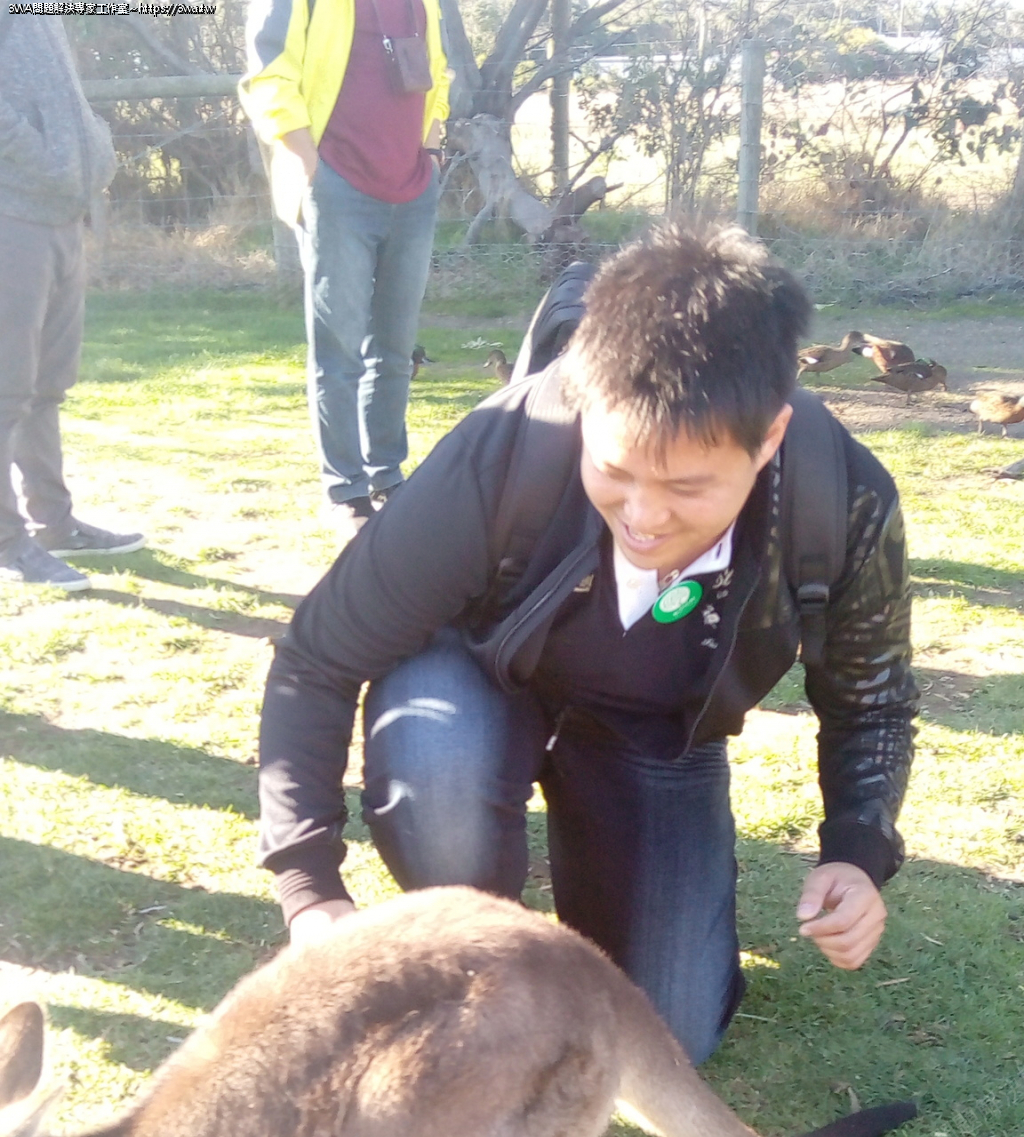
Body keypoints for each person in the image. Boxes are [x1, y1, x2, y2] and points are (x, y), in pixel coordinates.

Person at [257, 223, 917, 1065]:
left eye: (687, 486)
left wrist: (857, 851)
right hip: (480, 676)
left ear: (769, 438)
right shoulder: (505, 449)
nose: (644, 517)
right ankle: (479, 953)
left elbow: (874, 700)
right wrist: (310, 888)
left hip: (656, 729)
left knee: (667, 1037)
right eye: (616, 470)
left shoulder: (843, 497)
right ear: (585, 406)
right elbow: (315, 658)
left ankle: (608, 851)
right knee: (439, 775)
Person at [241, 0, 449, 544]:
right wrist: (311, 165)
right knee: (339, 353)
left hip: (412, 190)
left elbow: (436, 71)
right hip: (337, 190)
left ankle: (389, 477)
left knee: (396, 351)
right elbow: (269, 75)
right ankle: (346, 490)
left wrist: (431, 151)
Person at [0, 2, 145, 594]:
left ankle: (54, 525)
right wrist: (42, 159)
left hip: (58, 213)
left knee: (45, 387)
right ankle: (7, 544)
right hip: (12, 212)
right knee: (6, 389)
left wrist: (90, 143)